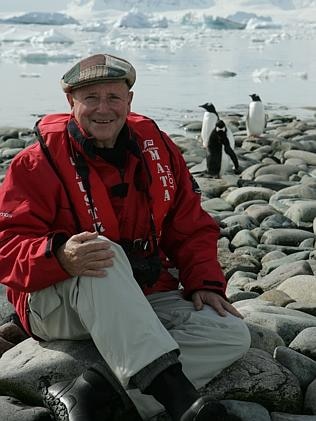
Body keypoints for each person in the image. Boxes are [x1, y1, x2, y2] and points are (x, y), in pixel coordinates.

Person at [0, 53, 251, 421]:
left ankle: (92, 390)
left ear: (129, 101)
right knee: (100, 251)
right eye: (91, 98)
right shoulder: (37, 162)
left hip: (140, 296)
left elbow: (191, 225)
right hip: (58, 304)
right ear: (71, 102)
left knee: (231, 332)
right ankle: (181, 401)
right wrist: (59, 256)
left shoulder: (158, 150)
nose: (104, 109)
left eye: (114, 97)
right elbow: (6, 245)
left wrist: (204, 283)